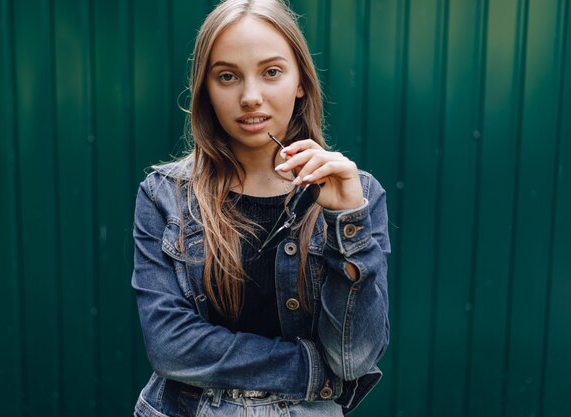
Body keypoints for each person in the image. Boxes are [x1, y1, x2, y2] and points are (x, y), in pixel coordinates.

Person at [131, 0, 390, 415]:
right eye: (228, 76)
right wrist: (305, 369)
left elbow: (353, 359)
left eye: (271, 72)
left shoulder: (356, 194)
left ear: (300, 81)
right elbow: (170, 347)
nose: (251, 97)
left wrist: (347, 223)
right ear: (206, 89)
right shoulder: (165, 195)